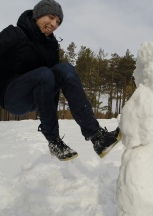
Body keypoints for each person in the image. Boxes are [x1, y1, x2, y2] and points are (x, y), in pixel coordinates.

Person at [0, 0, 121, 161]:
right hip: (11, 96)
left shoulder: (51, 45)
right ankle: (54, 141)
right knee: (44, 73)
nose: (54, 24)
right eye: (50, 18)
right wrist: (52, 135)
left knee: (65, 69)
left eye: (58, 22)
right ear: (38, 15)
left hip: (37, 93)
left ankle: (97, 136)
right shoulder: (14, 34)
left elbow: (52, 86)